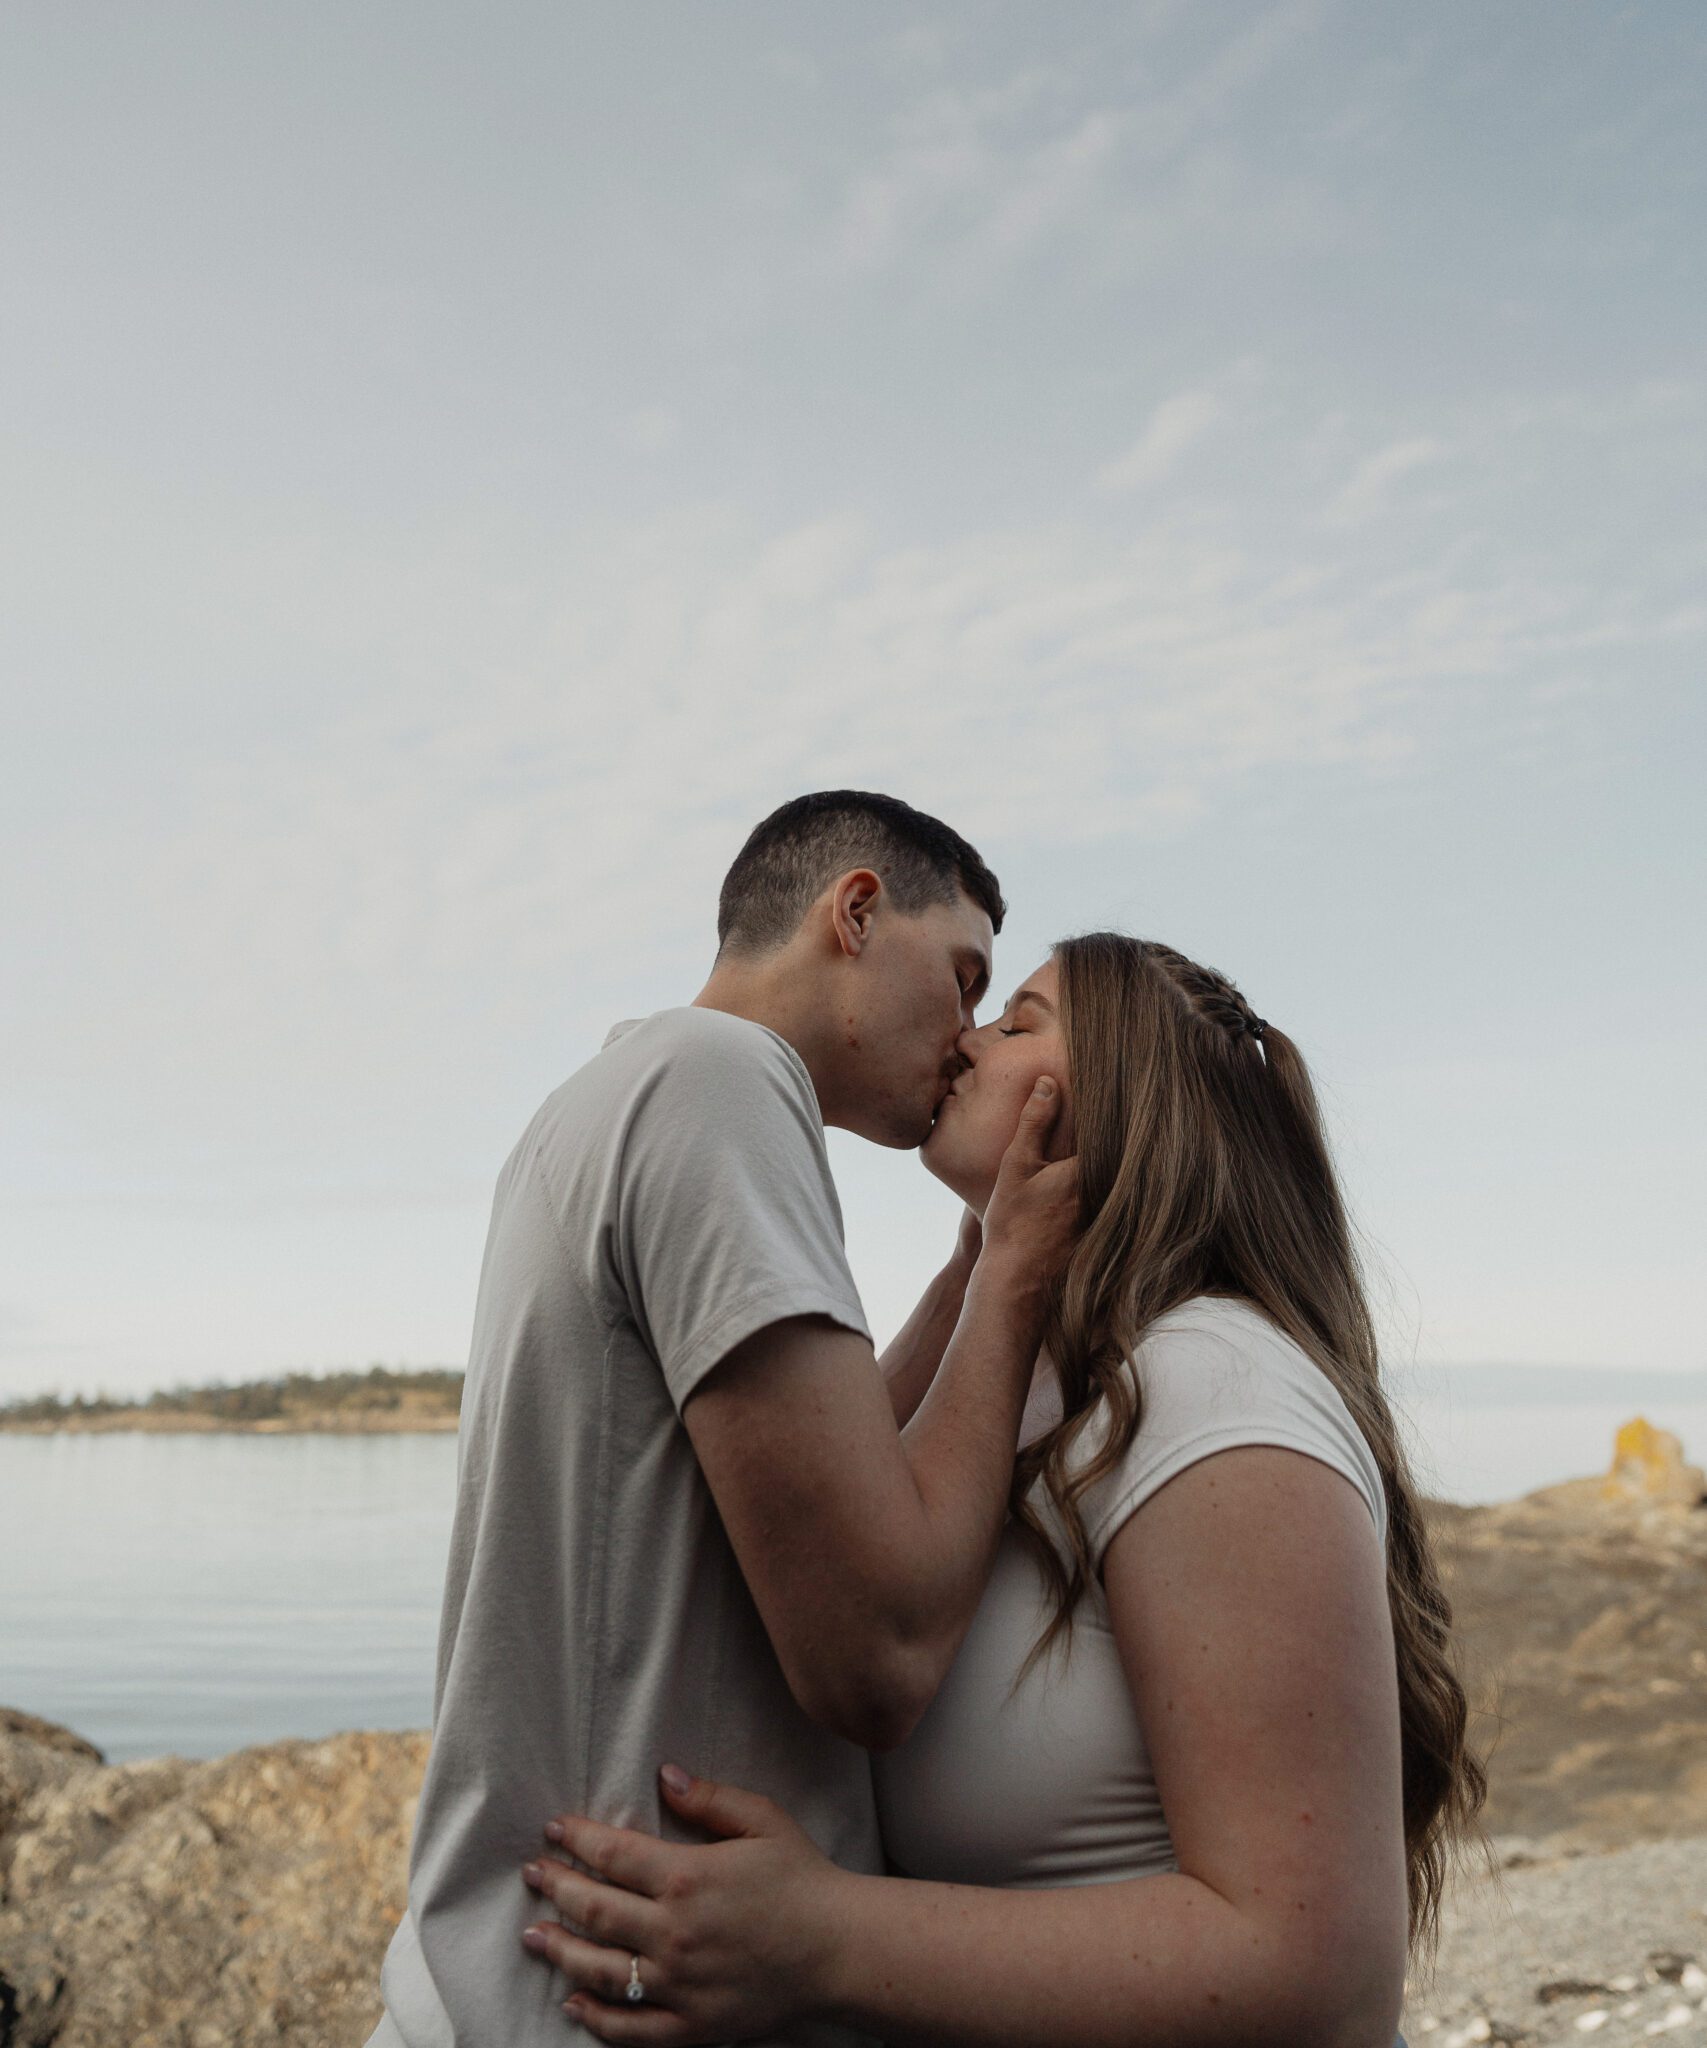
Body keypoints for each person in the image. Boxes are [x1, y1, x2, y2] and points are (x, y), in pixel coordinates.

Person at [516, 933, 1485, 2048]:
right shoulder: (1040, 1389)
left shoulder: (1212, 1382)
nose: (963, 1041)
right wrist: (983, 1271)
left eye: (1017, 1020)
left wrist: (821, 1939)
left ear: (1117, 1106)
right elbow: (820, 1545)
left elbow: (1319, 1968)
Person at [369, 791, 1081, 2048]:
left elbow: (838, 1462)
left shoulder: (614, 1094)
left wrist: (974, 1264)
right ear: (856, 913)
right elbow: (880, 1654)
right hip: (599, 2001)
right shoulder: (724, 1081)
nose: (968, 1038)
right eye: (964, 978)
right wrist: (1019, 1278)